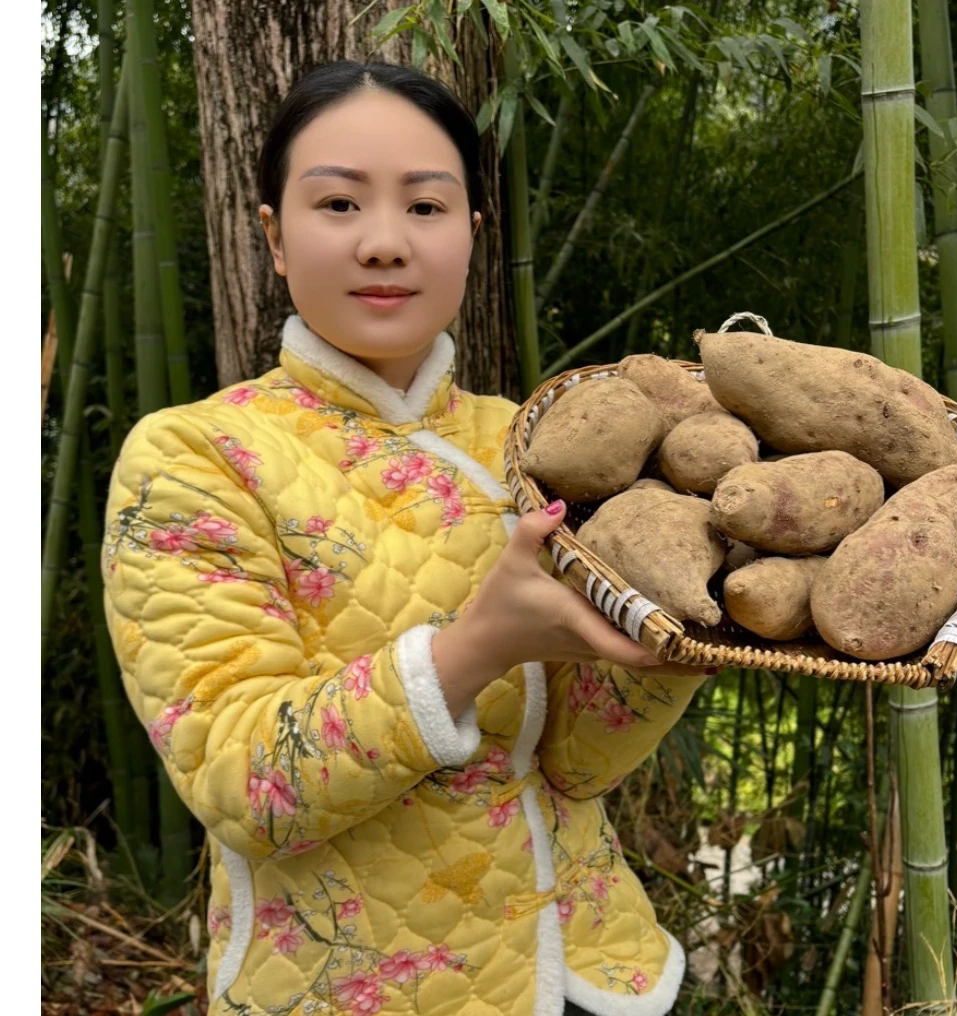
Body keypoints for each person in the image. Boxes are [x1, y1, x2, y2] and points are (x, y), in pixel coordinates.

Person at [102, 59, 714, 1016]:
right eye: (339, 204)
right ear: (272, 234)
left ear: (473, 231)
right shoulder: (196, 458)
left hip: (594, 971)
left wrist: (681, 641)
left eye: (426, 208)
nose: (385, 243)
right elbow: (238, 779)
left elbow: (584, 764)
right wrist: (473, 651)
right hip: (349, 991)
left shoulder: (538, 441)